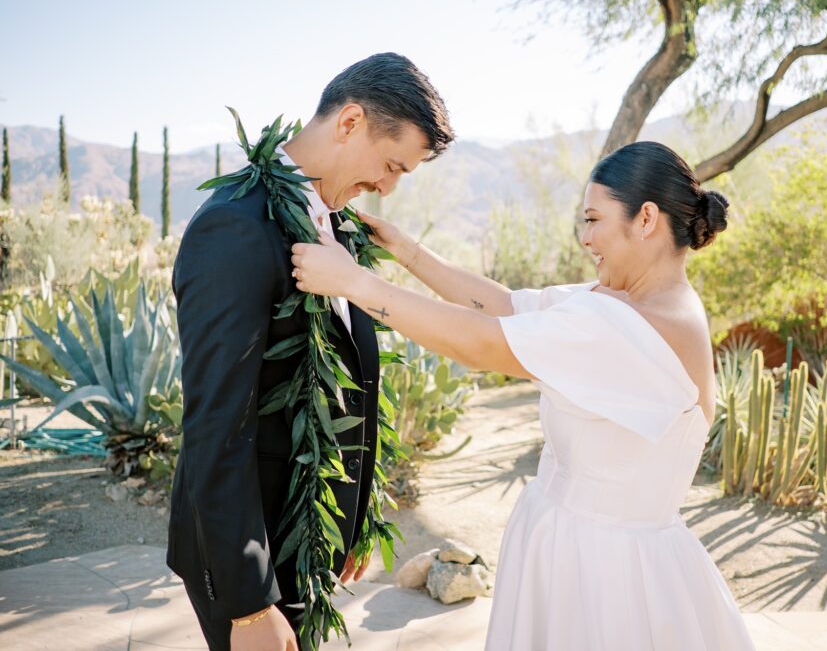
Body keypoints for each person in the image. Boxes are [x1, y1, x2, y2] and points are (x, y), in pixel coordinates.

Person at [291, 140, 757, 649]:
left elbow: (481, 343)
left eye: (594, 219)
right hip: (571, 548)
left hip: (606, 576)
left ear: (646, 218)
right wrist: (404, 249)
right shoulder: (633, 302)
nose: (585, 237)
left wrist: (354, 283)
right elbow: (504, 306)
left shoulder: (634, 324)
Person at [167, 52, 453, 651]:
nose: (388, 187)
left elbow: (351, 383)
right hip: (257, 554)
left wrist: (346, 522)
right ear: (349, 122)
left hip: (309, 539)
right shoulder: (236, 227)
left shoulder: (339, 226)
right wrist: (249, 604)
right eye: (391, 164)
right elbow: (218, 424)